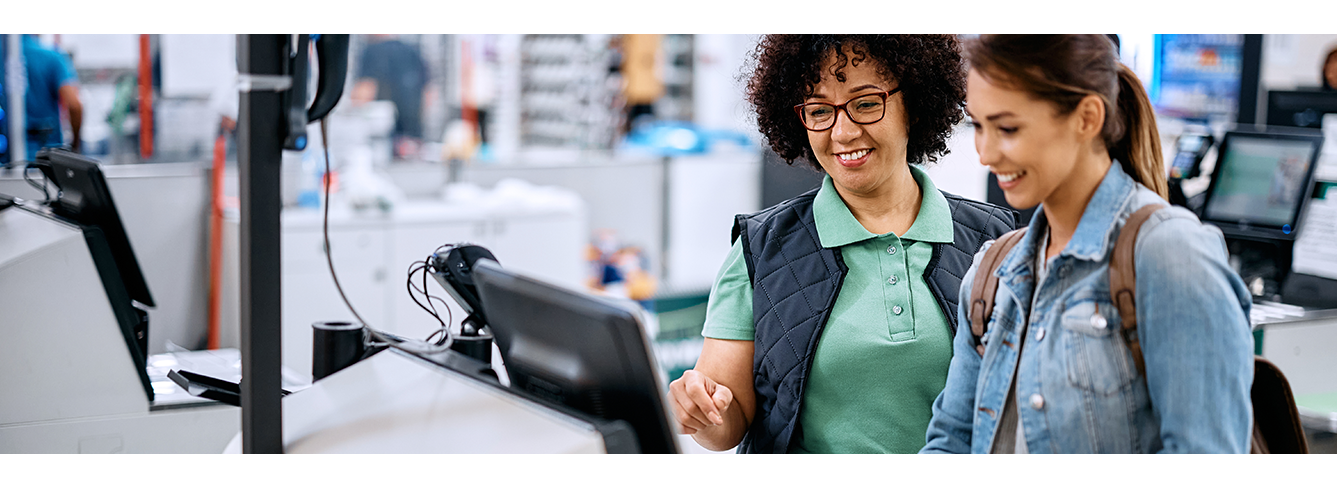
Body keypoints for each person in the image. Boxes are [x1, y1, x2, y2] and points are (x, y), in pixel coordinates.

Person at [668, 35, 1017, 454]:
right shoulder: (761, 248)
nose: (844, 132)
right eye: (819, 110)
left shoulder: (994, 239)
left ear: (916, 102)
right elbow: (727, 420)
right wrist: (701, 411)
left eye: (867, 103)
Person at [921, 34, 1254, 454]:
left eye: (1007, 128)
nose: (985, 153)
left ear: (1087, 118)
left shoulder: (1170, 255)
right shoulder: (994, 270)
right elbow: (951, 440)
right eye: (978, 126)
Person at [0, 34, 82, 165]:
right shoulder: (52, 57)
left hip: (6, 157)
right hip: (46, 157)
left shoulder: (4, 56)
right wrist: (75, 145)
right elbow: (74, 105)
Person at [351, 35, 430, 159]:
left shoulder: (373, 51)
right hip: (413, 140)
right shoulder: (413, 51)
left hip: (383, 145)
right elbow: (428, 94)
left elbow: (364, 92)